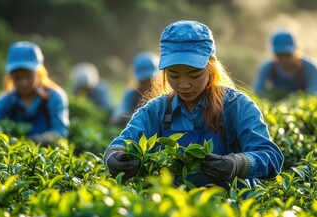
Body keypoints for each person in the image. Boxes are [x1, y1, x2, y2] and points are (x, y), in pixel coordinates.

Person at [103, 20, 284, 189]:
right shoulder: (157, 111)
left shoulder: (236, 106)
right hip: (174, 212)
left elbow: (271, 156)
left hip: (232, 210)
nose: (184, 84)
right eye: (173, 75)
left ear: (210, 68)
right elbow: (119, 145)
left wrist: (238, 164)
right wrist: (115, 159)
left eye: (194, 74)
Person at [0, 41, 70, 145]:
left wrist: (36, 141)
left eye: (29, 76)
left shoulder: (54, 97)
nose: (24, 83)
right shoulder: (6, 100)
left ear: (38, 73)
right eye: (18, 78)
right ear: (11, 77)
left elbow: (60, 132)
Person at [253, 30, 317, 100]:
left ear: (296, 51)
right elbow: (258, 91)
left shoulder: (310, 68)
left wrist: (294, 99)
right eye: (280, 55)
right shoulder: (268, 67)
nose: (284, 59)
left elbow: (313, 92)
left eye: (287, 55)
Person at [111, 51, 159, 127]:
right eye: (143, 81)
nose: (147, 85)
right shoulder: (132, 94)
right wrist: (122, 116)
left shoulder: (165, 95)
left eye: (150, 81)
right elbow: (121, 112)